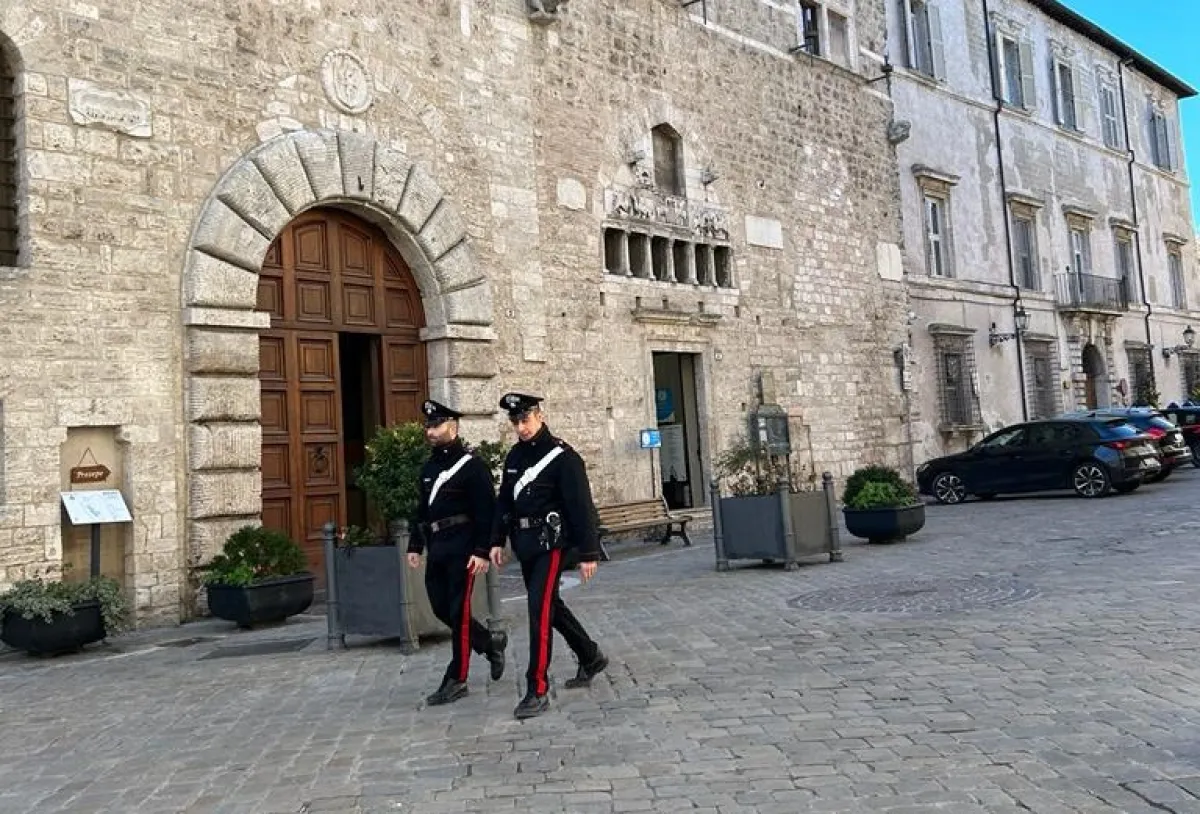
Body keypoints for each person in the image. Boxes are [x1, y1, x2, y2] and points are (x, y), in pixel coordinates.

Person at [483, 392, 608, 719]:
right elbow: (505, 501)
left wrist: (589, 552)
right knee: (551, 606)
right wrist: (495, 539)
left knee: (538, 610)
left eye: (525, 420)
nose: (521, 427)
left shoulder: (563, 457)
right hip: (525, 543)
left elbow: (581, 507)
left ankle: (536, 687)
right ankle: (590, 655)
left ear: (539, 415)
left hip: (552, 544)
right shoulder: (515, 456)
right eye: (515, 422)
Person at [408, 399, 507, 706]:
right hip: (438, 545)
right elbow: (421, 510)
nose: (430, 431)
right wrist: (415, 545)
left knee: (459, 612)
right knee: (441, 608)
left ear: (453, 427)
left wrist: (481, 550)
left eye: (436, 425)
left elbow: (486, 511)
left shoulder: (472, 466)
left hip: (463, 547)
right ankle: (488, 643)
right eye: (428, 426)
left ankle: (457, 678)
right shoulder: (429, 468)